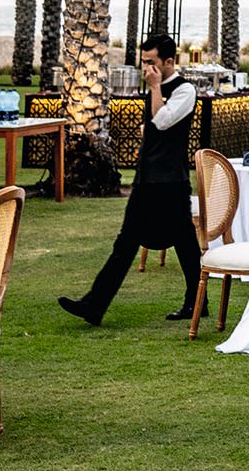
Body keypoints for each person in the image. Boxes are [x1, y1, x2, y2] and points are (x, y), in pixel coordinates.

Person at [61, 33, 201, 325]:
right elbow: (152, 128)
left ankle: (197, 300)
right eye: (144, 62)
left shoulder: (185, 90)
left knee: (184, 241)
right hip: (147, 177)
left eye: (151, 62)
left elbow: (161, 122)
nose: (146, 68)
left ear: (169, 62)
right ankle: (94, 305)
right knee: (126, 241)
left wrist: (155, 88)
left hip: (171, 180)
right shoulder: (156, 89)